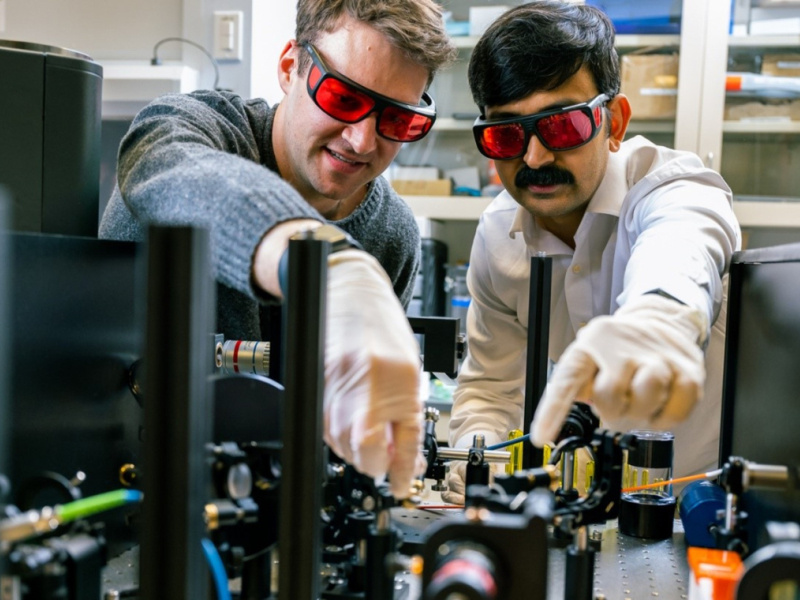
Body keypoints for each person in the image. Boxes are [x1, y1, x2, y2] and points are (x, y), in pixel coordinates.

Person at [99, 0, 457, 498]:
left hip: (271, 517)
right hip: (121, 500)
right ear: (291, 67)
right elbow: (165, 164)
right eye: (344, 98)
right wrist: (325, 261)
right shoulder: (195, 131)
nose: (361, 140)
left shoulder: (390, 234)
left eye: (397, 119)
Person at [443, 1, 741, 504]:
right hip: (584, 513)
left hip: (696, 514)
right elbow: (491, 388)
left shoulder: (671, 187)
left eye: (561, 126)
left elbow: (685, 242)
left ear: (614, 122)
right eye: (507, 134)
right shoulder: (499, 235)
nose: (535, 157)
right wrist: (483, 458)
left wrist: (657, 321)